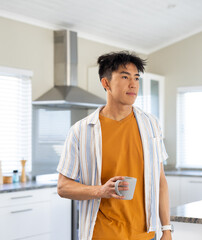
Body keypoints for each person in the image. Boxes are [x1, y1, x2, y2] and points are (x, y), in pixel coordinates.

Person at [57, 51, 173, 240]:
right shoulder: (81, 131)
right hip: (102, 235)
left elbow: (160, 181)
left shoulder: (151, 125)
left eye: (136, 78)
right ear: (106, 83)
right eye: (125, 76)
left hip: (145, 235)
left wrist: (166, 229)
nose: (133, 84)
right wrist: (100, 191)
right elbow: (63, 187)